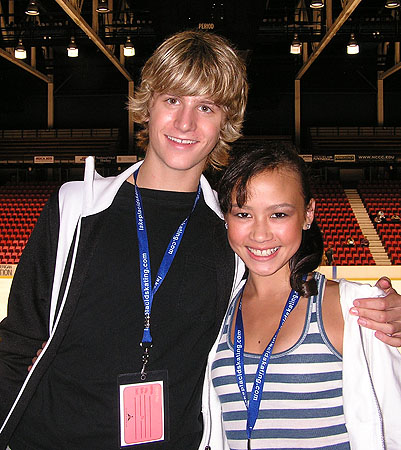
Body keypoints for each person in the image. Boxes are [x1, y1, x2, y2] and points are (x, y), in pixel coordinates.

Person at [0, 31, 400, 450]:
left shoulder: (229, 233)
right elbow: (17, 343)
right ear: (148, 105)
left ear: (224, 123)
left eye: (205, 107)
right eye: (173, 99)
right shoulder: (75, 209)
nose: (185, 123)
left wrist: (388, 315)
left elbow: (287, 278)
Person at [200, 144, 401, 450]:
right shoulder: (216, 313)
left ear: (308, 214)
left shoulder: (355, 310)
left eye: (278, 214)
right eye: (243, 213)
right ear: (226, 217)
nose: (260, 234)